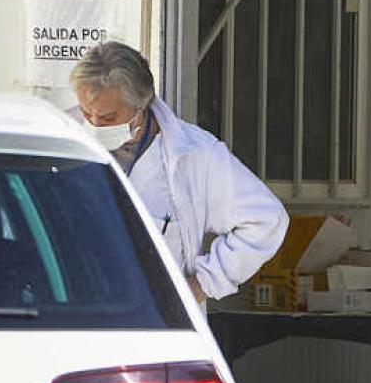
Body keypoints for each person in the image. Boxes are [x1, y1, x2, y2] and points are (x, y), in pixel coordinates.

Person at [69, 41, 287, 303]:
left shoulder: (197, 155)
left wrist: (203, 284)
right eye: (86, 114)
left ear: (142, 106)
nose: (94, 124)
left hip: (154, 323)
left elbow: (266, 219)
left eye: (108, 118)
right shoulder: (60, 136)